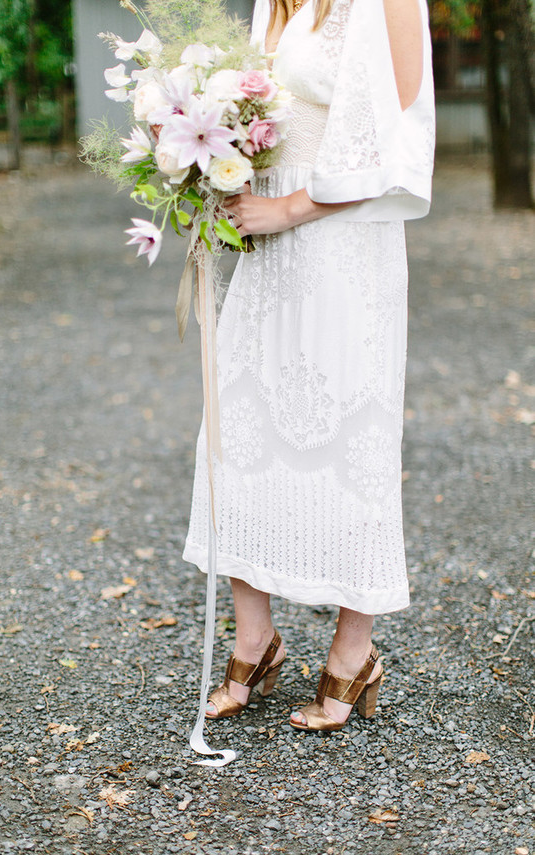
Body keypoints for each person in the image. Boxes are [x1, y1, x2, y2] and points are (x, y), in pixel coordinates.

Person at [183, 0, 435, 731]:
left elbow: (390, 139)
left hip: (343, 245)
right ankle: (254, 640)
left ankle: (354, 652)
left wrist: (289, 207)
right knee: (240, 429)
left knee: (348, 437)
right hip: (269, 243)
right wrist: (220, 178)